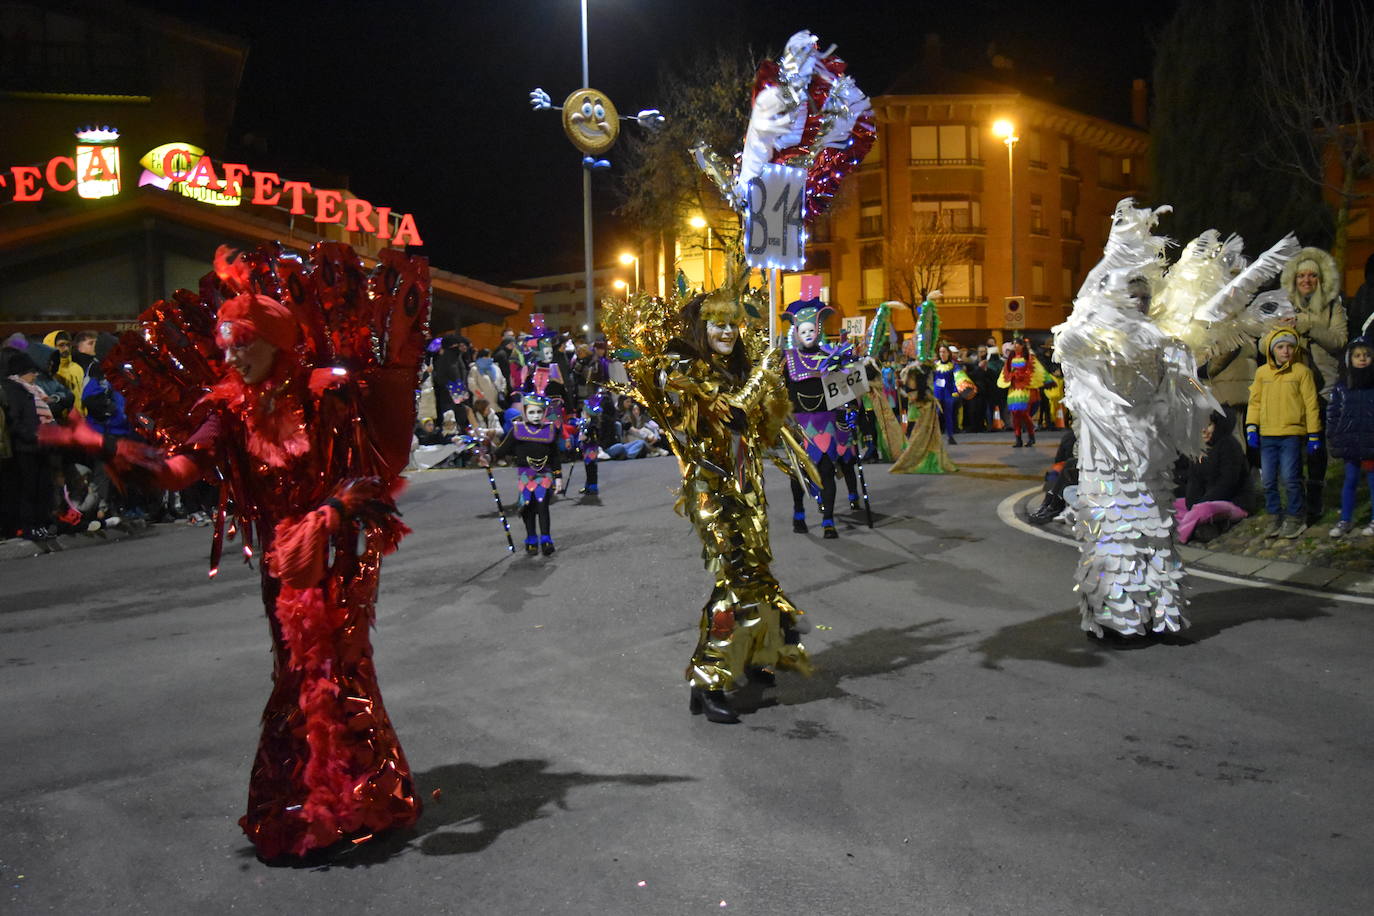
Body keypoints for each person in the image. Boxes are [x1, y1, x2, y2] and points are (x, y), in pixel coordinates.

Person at [41, 243, 427, 861]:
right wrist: (103, 448)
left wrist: (328, 517)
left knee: (340, 667)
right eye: (228, 345)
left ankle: (359, 799)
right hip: (284, 560)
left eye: (244, 343)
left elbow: (371, 474)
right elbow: (176, 472)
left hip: (340, 549)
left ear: (277, 342)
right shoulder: (227, 413)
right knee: (296, 672)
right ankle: (312, 801)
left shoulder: (325, 397)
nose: (233, 355)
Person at [602, 273, 812, 724]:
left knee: (755, 572)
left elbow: (759, 427)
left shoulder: (737, 367)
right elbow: (732, 409)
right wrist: (765, 370)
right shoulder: (685, 373)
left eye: (732, 324)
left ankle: (760, 654)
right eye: (717, 323)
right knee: (733, 580)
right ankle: (708, 677)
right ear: (701, 328)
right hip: (711, 492)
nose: (726, 332)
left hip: (748, 488)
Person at [781, 298, 858, 538]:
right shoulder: (787, 359)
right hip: (799, 425)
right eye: (803, 330)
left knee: (826, 471)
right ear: (795, 332)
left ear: (819, 330)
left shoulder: (832, 356)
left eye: (812, 330)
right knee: (799, 473)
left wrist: (850, 409)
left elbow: (848, 391)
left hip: (826, 422)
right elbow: (778, 393)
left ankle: (828, 520)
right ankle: (799, 512)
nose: (808, 334)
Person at [1280, 247, 1346, 521]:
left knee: (1316, 443)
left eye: (1312, 276)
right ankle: (1295, 500)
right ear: (1294, 280)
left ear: (1320, 280)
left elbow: (1340, 341)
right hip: (1290, 385)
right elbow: (1265, 340)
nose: (1306, 280)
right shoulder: (1283, 305)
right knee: (1293, 443)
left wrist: (1306, 325)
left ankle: (1315, 497)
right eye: (1301, 276)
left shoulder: (1332, 305)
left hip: (1323, 385)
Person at [1247, 327, 1322, 539]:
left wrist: (1314, 434)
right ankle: (1274, 516)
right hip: (1268, 434)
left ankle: (1295, 515)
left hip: (1291, 433)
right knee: (1269, 479)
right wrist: (1252, 426)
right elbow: (1255, 402)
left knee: (1290, 477)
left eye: (1289, 346)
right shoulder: (1262, 373)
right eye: (1280, 347)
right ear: (1272, 350)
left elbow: (1311, 404)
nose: (1285, 351)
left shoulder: (1302, 372)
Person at [491, 391, 561, 554]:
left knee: (543, 506)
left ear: (544, 413)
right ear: (524, 412)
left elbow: (555, 456)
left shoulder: (549, 430)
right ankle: (531, 538)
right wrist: (489, 456)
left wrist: (558, 476)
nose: (535, 416)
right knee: (527, 507)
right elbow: (502, 450)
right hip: (525, 476)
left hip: (545, 475)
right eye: (531, 412)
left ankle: (546, 539)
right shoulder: (517, 430)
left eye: (539, 412)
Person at [1174, 411, 1255, 543]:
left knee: (1204, 509)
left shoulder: (1229, 445)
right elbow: (1194, 481)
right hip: (1204, 501)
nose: (1204, 430)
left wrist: (1199, 504)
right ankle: (1196, 525)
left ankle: (1178, 535)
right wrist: (1192, 504)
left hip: (1233, 502)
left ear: (1217, 425)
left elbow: (1227, 484)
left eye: (1209, 425)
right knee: (1170, 504)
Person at [1324, 338, 1374, 537]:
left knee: (1372, 481)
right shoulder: (1342, 387)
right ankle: (1345, 519)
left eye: (1367, 355)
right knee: (1350, 479)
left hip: (1371, 443)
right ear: (1350, 359)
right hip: (1350, 442)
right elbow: (1333, 413)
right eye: (1357, 356)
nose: (1362, 359)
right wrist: (1333, 435)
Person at [889, 355, 955, 475]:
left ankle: (919, 458)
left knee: (919, 434)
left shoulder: (922, 370)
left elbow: (919, 388)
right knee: (918, 433)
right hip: (919, 406)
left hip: (923, 406)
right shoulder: (917, 369)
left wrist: (904, 386)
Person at [997, 338, 1049, 447]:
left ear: (1022, 346)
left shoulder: (1029, 357)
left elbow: (1035, 371)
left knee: (1024, 414)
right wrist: (1011, 376)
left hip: (1025, 389)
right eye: (1014, 344)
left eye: (1017, 344)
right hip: (1013, 389)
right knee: (1015, 415)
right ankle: (1018, 439)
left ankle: (1031, 436)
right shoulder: (1010, 359)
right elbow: (1005, 371)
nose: (1015, 346)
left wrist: (1022, 375)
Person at [929, 344, 960, 445]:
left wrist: (956, 391)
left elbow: (958, 378)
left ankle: (950, 436)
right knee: (935, 415)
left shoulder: (953, 365)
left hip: (948, 393)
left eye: (944, 352)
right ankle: (933, 437)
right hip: (937, 392)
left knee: (948, 415)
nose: (942, 354)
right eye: (941, 352)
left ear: (948, 353)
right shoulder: (935, 365)